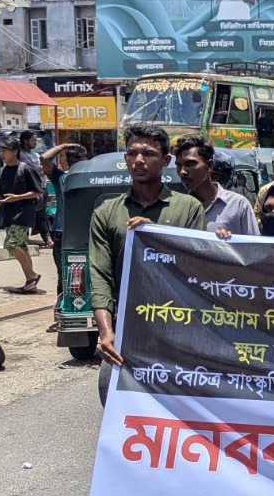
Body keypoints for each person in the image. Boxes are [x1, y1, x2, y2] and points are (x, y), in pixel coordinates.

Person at [90, 125, 206, 366]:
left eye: (149, 154)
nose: (139, 161)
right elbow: (100, 276)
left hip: (180, 325)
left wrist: (155, 235)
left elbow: (196, 268)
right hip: (127, 328)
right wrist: (106, 332)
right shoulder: (106, 213)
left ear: (165, 160)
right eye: (132, 153)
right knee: (114, 386)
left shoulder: (189, 208)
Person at [0, 136, 45, 295]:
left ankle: (32, 276)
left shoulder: (26, 169)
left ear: (15, 151)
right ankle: (31, 283)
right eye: (0, 150)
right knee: (22, 247)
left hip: (23, 214)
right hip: (8, 215)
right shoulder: (1, 172)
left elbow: (38, 191)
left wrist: (17, 197)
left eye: (5, 150)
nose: (1, 154)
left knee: (11, 245)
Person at [175, 134, 257, 238]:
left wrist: (227, 242)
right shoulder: (178, 207)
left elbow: (254, 245)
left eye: (190, 163)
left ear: (209, 165)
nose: (182, 172)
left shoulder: (238, 205)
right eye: (179, 165)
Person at [40, 141, 88, 296]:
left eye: (78, 161)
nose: (75, 165)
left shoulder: (91, 178)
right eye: (72, 161)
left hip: (87, 232)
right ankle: (63, 303)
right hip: (62, 232)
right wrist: (63, 146)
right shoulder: (61, 177)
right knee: (63, 272)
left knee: (88, 271)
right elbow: (44, 158)